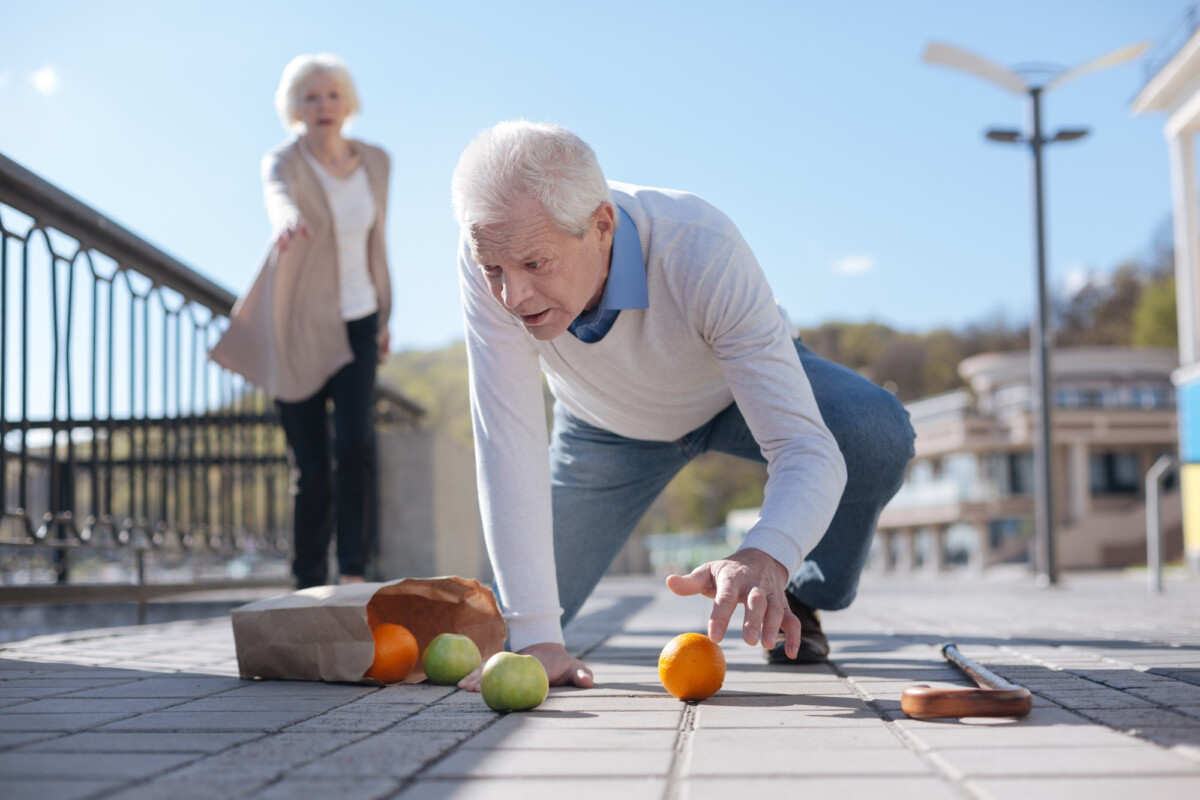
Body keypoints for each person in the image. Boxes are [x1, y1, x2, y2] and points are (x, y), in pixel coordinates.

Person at [450, 121, 915, 690]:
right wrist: (539, 638)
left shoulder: (699, 245)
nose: (512, 296)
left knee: (874, 431)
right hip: (606, 426)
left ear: (601, 225)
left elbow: (804, 447)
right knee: (501, 626)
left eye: (534, 265)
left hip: (731, 393)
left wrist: (767, 553)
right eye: (494, 270)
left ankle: (802, 591)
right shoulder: (494, 247)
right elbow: (508, 440)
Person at [210, 53, 392, 589]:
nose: (323, 106)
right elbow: (279, 196)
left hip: (358, 319)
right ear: (296, 108)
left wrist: (385, 313)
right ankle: (307, 580)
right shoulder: (282, 160)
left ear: (347, 102)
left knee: (356, 446)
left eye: (332, 94)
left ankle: (355, 572)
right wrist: (287, 219)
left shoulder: (377, 161)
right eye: (310, 97)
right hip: (295, 326)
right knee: (311, 468)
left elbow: (378, 242)